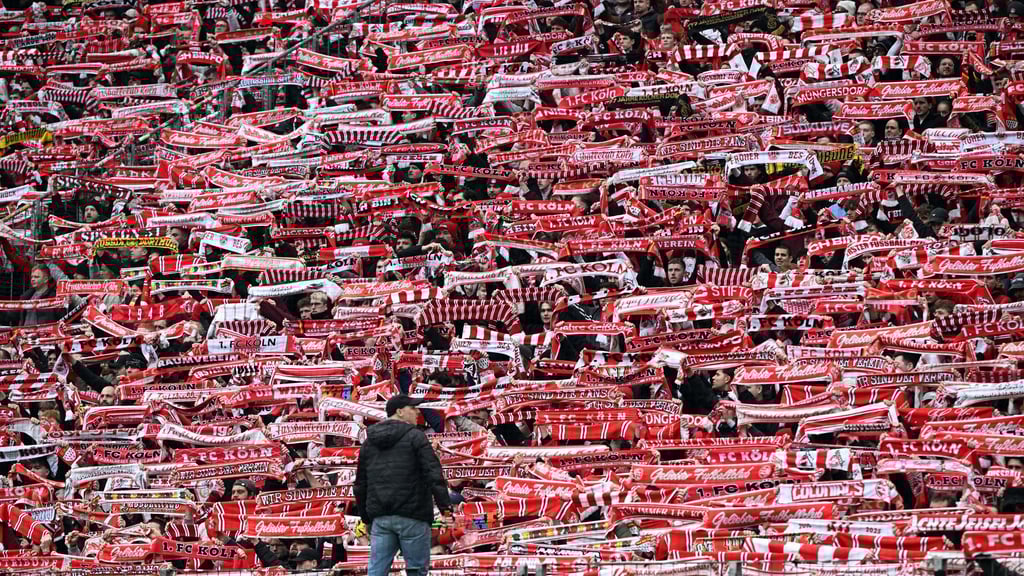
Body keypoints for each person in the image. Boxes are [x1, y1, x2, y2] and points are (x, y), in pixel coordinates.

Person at [355, 395, 453, 576]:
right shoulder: (416, 437)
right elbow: (434, 475)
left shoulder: (369, 442)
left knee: (376, 571)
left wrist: (366, 518)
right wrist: (446, 510)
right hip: (413, 516)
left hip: (381, 518)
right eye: (413, 408)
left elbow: (360, 484)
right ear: (400, 411)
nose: (418, 412)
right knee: (416, 570)